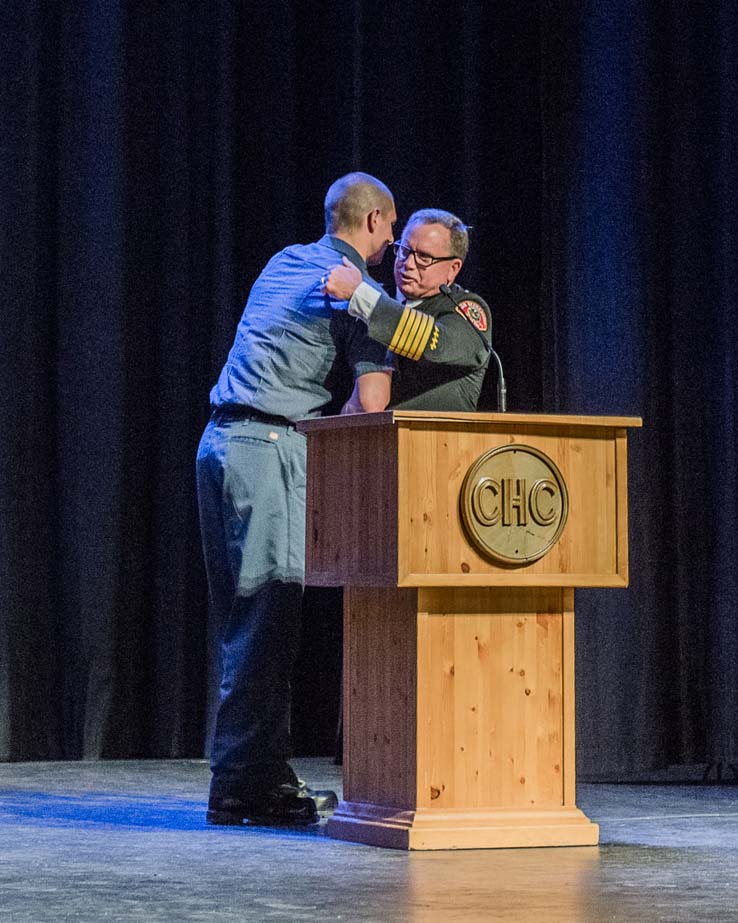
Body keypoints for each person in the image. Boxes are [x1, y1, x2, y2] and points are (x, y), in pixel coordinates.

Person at [196, 172, 396, 826]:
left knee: (244, 622)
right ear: (372, 224)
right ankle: (244, 788)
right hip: (266, 449)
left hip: (218, 445)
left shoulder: (284, 260)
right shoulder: (359, 293)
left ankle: (250, 773)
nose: (393, 245)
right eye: (391, 231)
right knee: (268, 620)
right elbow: (373, 403)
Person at [325, 208, 492, 411]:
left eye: (424, 257)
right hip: (363, 436)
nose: (409, 264)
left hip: (436, 439)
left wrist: (361, 295)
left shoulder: (466, 309)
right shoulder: (380, 298)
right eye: (404, 251)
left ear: (453, 268)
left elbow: (436, 345)